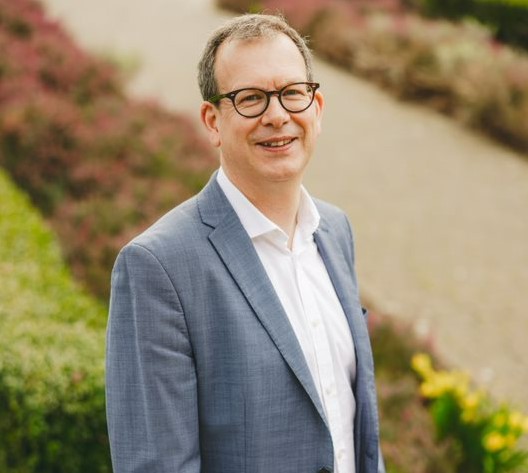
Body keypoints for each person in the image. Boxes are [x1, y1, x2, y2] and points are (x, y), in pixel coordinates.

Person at [106, 13, 385, 473]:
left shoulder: (336, 231)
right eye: (251, 98)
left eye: (292, 93)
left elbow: (355, 432)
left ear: (317, 108)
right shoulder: (157, 267)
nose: (278, 116)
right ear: (212, 121)